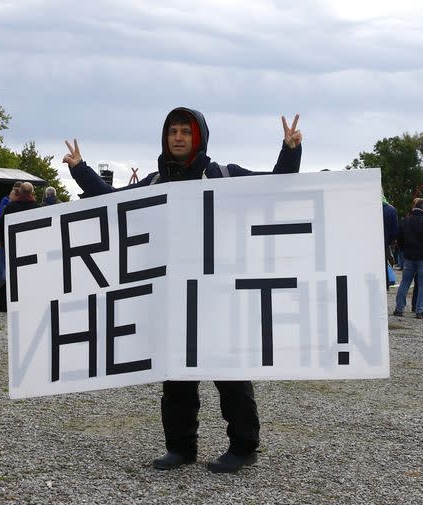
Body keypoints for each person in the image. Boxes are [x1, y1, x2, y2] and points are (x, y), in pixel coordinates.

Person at [63, 107, 302, 473]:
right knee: (176, 376)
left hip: (220, 292)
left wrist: (290, 150)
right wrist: (80, 170)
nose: (178, 137)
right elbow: (111, 200)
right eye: (173, 131)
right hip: (172, 294)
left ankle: (243, 446)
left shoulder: (222, 176)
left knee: (230, 373)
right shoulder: (156, 182)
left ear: (199, 138)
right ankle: (180, 447)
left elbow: (275, 185)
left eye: (185, 132)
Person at [393, 199, 423, 319]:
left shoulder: (405, 221)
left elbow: (399, 239)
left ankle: (399, 308)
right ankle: (419, 311)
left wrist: (404, 252)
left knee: (405, 283)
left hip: (409, 257)